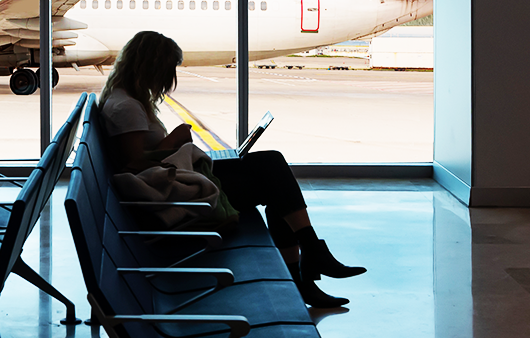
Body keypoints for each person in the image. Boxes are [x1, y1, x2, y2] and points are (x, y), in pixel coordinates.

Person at [98, 30, 363, 308]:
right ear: (151, 67)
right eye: (167, 69)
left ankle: (306, 268)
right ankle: (308, 265)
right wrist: (174, 140)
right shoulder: (126, 107)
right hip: (171, 194)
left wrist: (175, 146)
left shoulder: (125, 99)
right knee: (273, 176)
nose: (168, 79)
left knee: (272, 170)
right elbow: (134, 163)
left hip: (174, 181)